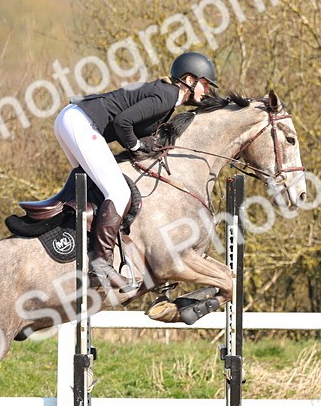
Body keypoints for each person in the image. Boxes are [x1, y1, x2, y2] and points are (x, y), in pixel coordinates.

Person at [53, 51, 219, 288]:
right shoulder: (167, 96)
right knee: (119, 193)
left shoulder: (166, 96)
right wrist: (136, 145)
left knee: (98, 190)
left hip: (71, 120)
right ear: (190, 81)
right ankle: (101, 265)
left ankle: (78, 249)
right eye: (204, 85)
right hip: (80, 123)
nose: (207, 91)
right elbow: (123, 123)